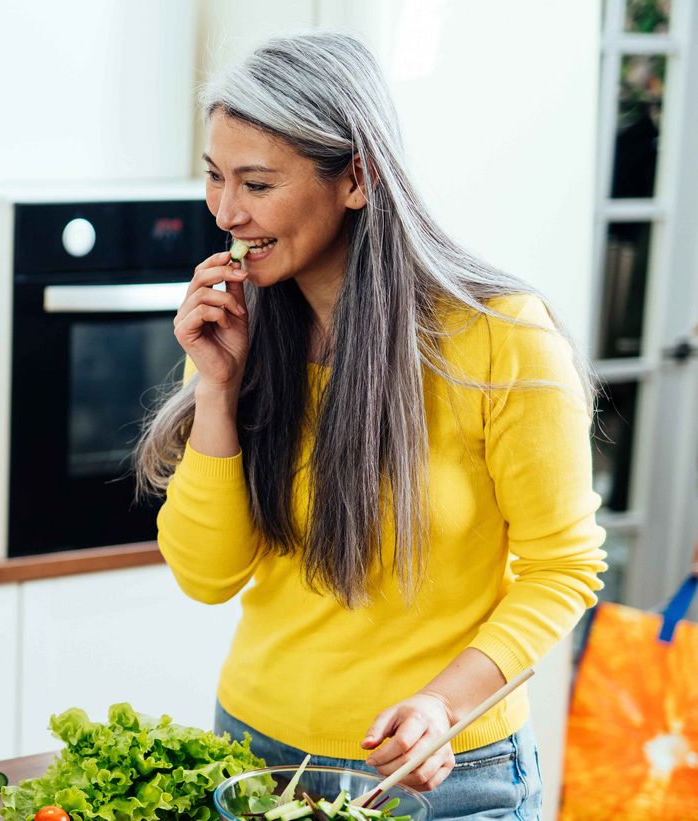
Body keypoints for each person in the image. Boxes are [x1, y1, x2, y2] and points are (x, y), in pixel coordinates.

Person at [136, 33, 607, 820]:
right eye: (215, 177)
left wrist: (440, 704)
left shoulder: (500, 337)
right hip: (251, 760)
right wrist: (216, 391)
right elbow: (207, 574)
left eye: (256, 182)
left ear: (357, 177)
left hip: (449, 779)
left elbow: (563, 566)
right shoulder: (235, 326)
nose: (225, 211)